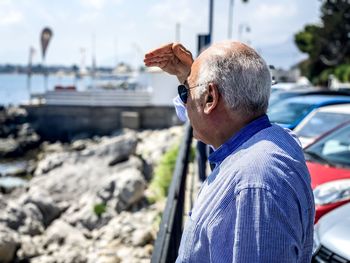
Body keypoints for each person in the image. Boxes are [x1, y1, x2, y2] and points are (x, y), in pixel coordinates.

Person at [144, 41, 315, 262]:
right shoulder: (270, 141)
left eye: (186, 92)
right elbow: (214, 122)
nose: (185, 103)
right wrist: (190, 77)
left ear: (210, 98)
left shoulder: (254, 183)